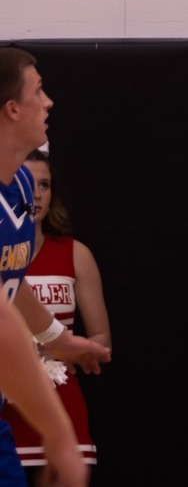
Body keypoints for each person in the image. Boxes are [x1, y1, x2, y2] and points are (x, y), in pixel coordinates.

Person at [0, 48, 115, 487]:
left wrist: (59, 339)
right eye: (39, 90)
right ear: (13, 108)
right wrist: (59, 432)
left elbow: (11, 282)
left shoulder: (20, 184)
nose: (49, 102)